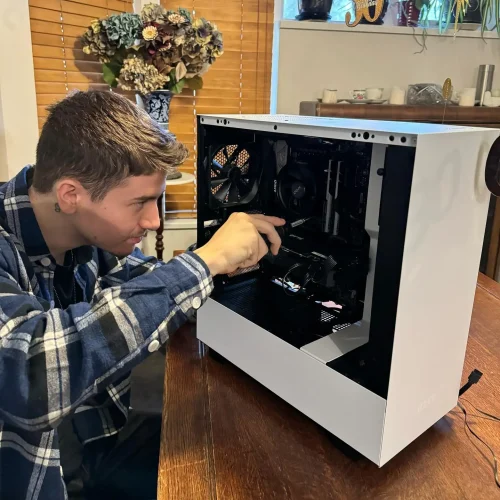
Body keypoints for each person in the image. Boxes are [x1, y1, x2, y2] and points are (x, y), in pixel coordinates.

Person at [0, 90, 284, 500]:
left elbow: (140, 282)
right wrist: (204, 262)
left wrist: (227, 267)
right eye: (140, 203)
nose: (153, 221)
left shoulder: (88, 236)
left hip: (95, 444)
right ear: (70, 195)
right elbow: (33, 378)